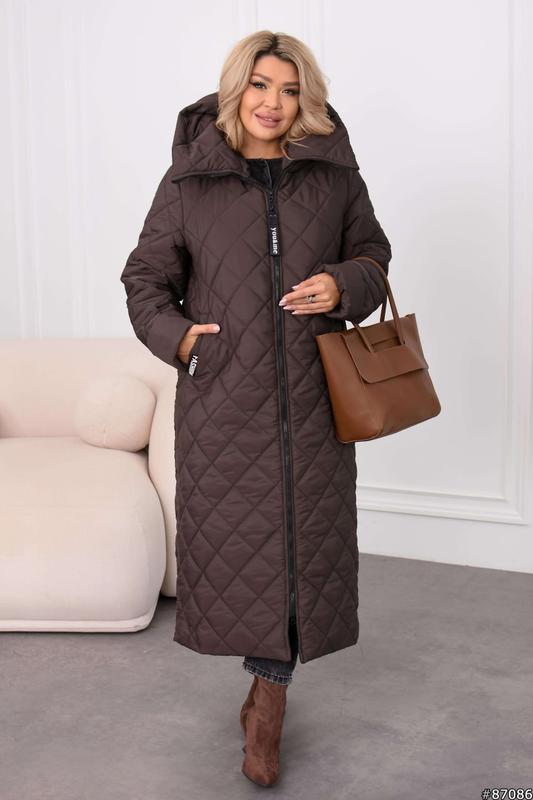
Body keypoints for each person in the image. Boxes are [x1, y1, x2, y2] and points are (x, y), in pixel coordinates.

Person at [120, 30, 392, 788]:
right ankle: (264, 693)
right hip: (224, 403)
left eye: (291, 90)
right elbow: (144, 280)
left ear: (307, 98)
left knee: (303, 557)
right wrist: (181, 341)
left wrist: (343, 285)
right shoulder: (190, 180)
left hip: (314, 402)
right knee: (248, 556)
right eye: (261, 85)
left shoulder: (334, 175)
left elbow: (373, 255)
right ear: (236, 88)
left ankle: (267, 705)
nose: (274, 103)